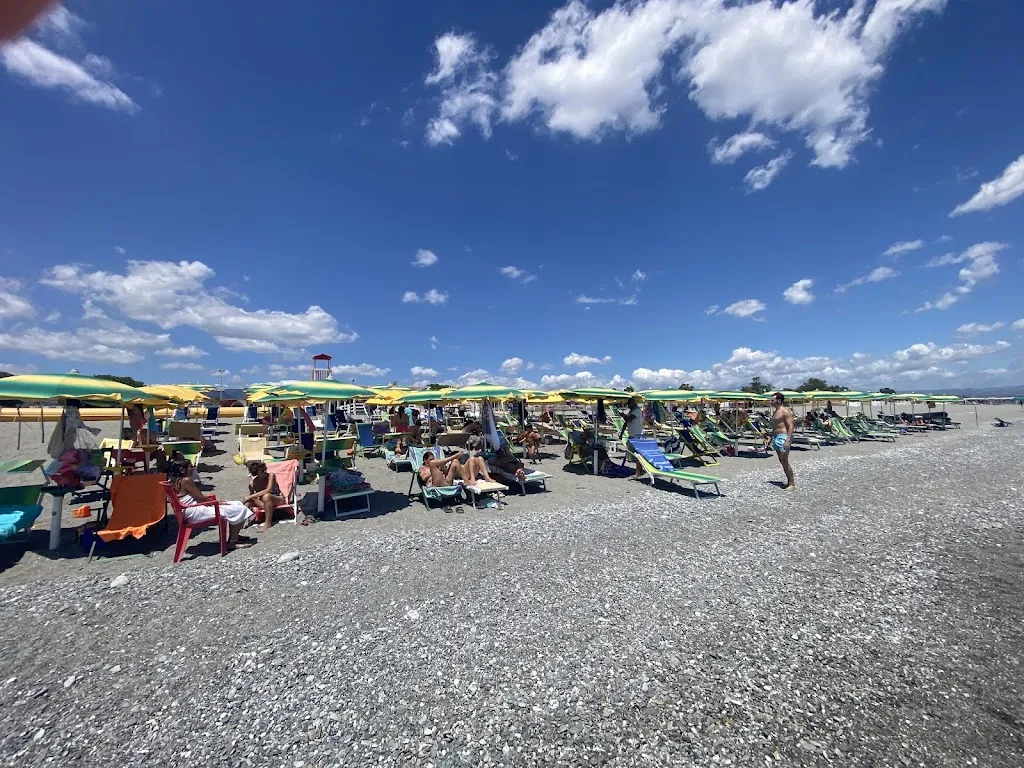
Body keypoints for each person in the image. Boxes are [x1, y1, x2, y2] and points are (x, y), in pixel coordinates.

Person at [167, 458, 255, 549]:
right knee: (240, 509)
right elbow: (202, 499)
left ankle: (235, 535)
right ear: (182, 469)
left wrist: (218, 503)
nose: (193, 468)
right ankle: (232, 542)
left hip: (187, 512)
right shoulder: (186, 480)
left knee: (237, 503)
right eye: (190, 467)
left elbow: (198, 499)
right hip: (195, 512)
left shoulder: (173, 482)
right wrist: (218, 503)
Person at [244, 461, 285, 531]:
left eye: (264, 469)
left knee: (266, 496)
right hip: (265, 503)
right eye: (262, 471)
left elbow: (269, 490)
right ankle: (240, 524)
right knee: (248, 501)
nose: (265, 472)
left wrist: (250, 496)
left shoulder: (271, 476)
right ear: (256, 473)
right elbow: (253, 496)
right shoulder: (254, 482)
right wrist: (249, 497)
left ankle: (268, 524)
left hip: (277, 499)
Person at [770, 392, 796, 491]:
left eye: (772, 400)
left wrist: (788, 440)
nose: (771, 402)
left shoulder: (785, 411)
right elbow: (775, 426)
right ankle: (789, 481)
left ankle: (792, 483)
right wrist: (770, 437)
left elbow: (791, 426)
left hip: (783, 436)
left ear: (779, 400)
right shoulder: (775, 412)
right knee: (782, 461)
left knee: (785, 461)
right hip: (776, 437)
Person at [621, 397, 645, 479]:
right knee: (635, 454)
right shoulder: (632, 411)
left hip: (636, 435)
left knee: (636, 454)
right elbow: (626, 423)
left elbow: (628, 419)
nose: (628, 406)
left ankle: (638, 472)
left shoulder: (637, 411)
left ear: (632, 403)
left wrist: (623, 415)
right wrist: (621, 433)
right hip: (632, 434)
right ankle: (639, 470)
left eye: (629, 404)